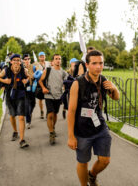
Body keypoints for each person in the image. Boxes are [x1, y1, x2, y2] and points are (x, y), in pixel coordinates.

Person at [67, 50, 120, 186]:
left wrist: (114, 88)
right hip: (82, 131)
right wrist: (71, 136)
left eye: (101, 63)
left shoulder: (103, 80)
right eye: (94, 63)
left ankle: (92, 175)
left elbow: (115, 97)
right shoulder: (77, 83)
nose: (98, 66)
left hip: (100, 127)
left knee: (105, 160)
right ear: (87, 65)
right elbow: (71, 111)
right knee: (83, 162)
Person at [0, 54, 30, 148]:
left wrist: (26, 80)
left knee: (21, 117)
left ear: (20, 62)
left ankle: (22, 140)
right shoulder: (6, 70)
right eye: (14, 60)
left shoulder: (24, 70)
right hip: (10, 95)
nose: (16, 61)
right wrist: (5, 81)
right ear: (11, 61)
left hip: (21, 95)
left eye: (18, 60)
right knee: (12, 115)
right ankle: (15, 131)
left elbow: (29, 77)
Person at [38, 54, 68, 145]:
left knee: (55, 114)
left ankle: (53, 128)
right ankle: (51, 133)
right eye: (56, 59)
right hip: (49, 95)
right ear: (53, 61)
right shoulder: (48, 70)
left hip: (58, 96)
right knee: (50, 113)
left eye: (59, 59)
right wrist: (43, 88)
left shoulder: (63, 72)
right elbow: (40, 80)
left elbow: (67, 82)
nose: (58, 60)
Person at [34, 51, 50, 119]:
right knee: (40, 99)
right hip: (40, 83)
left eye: (43, 56)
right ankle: (41, 111)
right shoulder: (36, 64)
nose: (42, 57)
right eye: (41, 56)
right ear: (39, 57)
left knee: (47, 98)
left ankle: (47, 112)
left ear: (45, 56)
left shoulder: (48, 63)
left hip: (47, 82)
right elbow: (36, 73)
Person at [22, 54, 36, 129]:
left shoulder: (33, 67)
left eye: (28, 59)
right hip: (24, 89)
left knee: (33, 104)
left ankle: (29, 114)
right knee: (27, 105)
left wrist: (29, 76)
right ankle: (28, 121)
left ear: (30, 60)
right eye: (25, 59)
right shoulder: (21, 68)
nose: (27, 60)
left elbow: (36, 76)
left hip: (32, 88)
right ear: (23, 60)